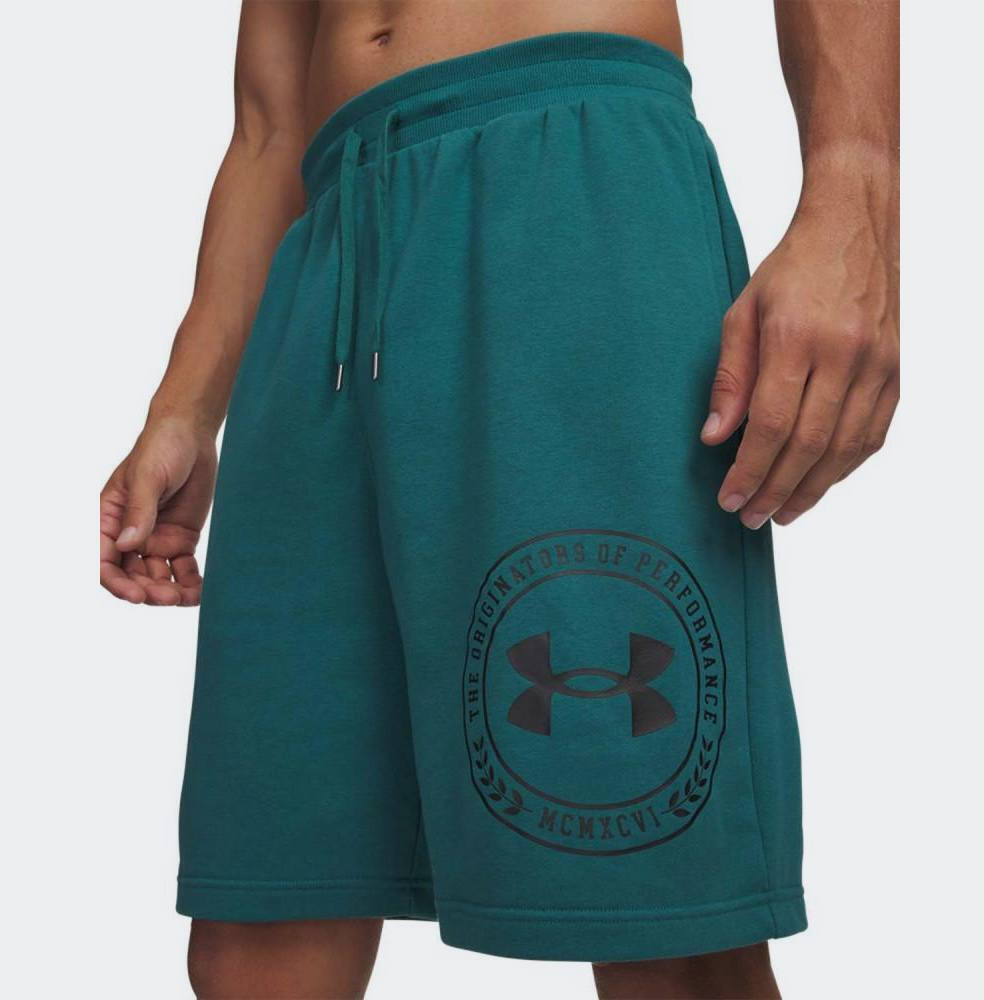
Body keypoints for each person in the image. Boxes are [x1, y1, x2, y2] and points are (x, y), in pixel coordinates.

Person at [99, 2, 899, 997]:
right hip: (326, 267)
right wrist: (183, 408)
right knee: (262, 924)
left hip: (566, 185)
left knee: (660, 910)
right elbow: (268, 129)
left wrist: (854, 188)